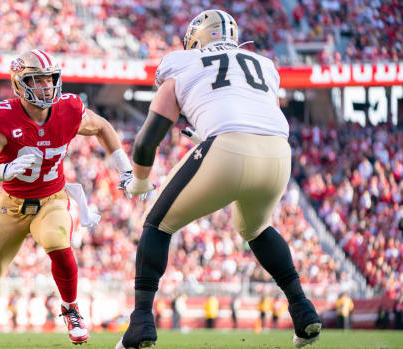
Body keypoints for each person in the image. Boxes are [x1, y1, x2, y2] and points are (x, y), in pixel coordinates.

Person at [116, 9, 321, 348]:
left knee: (156, 225)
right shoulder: (264, 65)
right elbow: (247, 110)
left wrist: (138, 181)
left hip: (227, 149)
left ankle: (140, 322)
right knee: (256, 228)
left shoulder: (180, 62)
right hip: (278, 155)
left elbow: (146, 140)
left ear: (195, 39)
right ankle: (302, 309)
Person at [0, 48, 136, 346]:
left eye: (49, 80)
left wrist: (125, 169)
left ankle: (71, 308)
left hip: (52, 199)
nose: (46, 87)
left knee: (58, 242)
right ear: (19, 84)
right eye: (37, 81)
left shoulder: (69, 109)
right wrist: (4, 170)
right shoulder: (5, 117)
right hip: (12, 205)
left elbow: (102, 127)